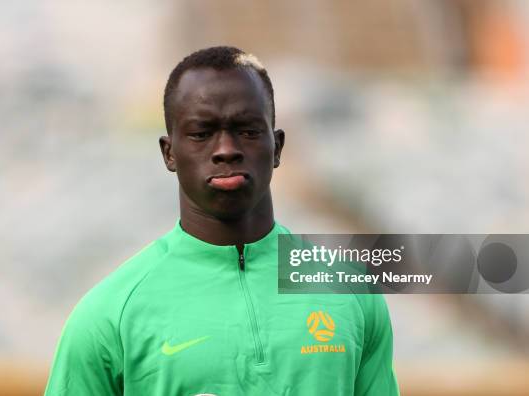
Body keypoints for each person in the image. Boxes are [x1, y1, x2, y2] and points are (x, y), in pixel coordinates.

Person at [45, 46, 399, 395]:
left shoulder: (352, 293)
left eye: (247, 130)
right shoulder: (110, 314)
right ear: (169, 153)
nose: (226, 149)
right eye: (201, 133)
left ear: (277, 147)